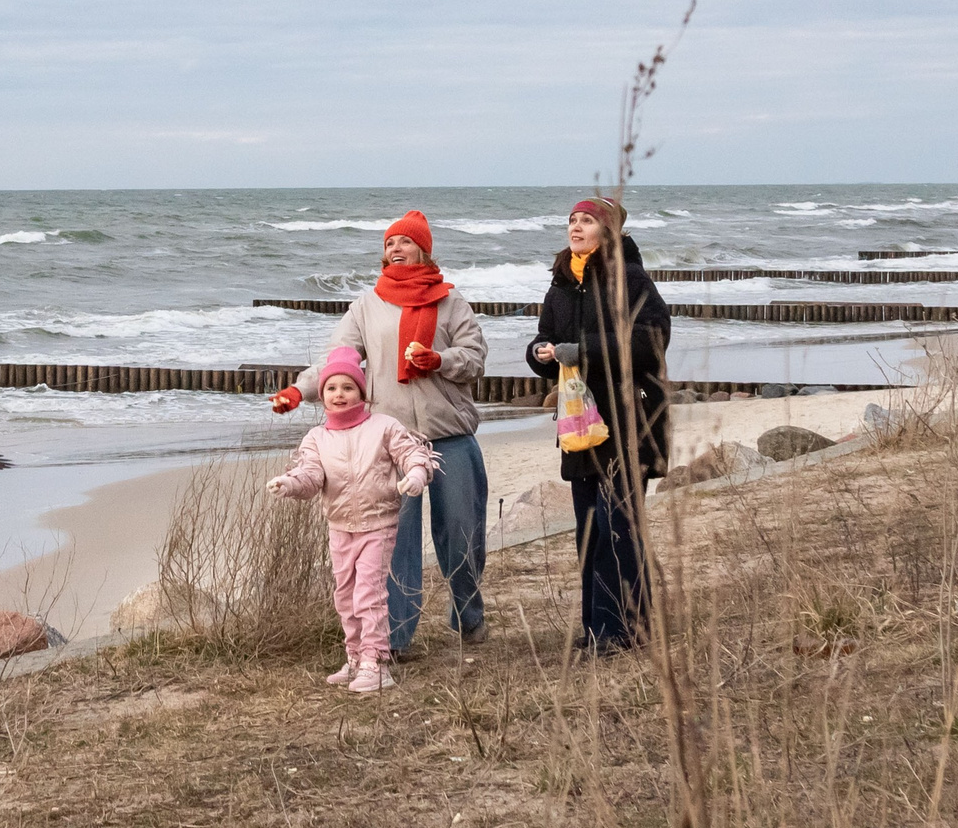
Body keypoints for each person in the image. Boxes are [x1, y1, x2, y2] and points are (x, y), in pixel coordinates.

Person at [273, 209, 489, 656]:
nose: (395, 249)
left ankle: (468, 617)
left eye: (404, 242)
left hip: (451, 435)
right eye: (389, 243)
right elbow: (339, 363)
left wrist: (440, 360)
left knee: (462, 535)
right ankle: (394, 638)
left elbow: (475, 358)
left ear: (423, 249)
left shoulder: (451, 303)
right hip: (390, 443)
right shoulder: (367, 306)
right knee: (395, 545)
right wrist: (299, 389)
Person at [527, 196, 672, 654]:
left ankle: (625, 631)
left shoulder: (629, 277)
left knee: (619, 527)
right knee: (589, 529)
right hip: (579, 425)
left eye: (587, 221)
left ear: (608, 232)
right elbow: (545, 338)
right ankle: (597, 629)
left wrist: (580, 350)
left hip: (629, 420)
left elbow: (652, 339)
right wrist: (539, 354)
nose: (576, 226)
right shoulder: (561, 284)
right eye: (572, 219)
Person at [266, 348, 438, 693]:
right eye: (331, 389)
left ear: (363, 392)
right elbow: (311, 474)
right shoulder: (317, 437)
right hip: (340, 525)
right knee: (345, 596)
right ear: (323, 395)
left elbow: (412, 453)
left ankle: (376, 664)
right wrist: (290, 483)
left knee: (368, 593)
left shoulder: (383, 426)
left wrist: (417, 474)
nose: (339, 394)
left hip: (378, 523)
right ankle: (356, 656)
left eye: (348, 387)